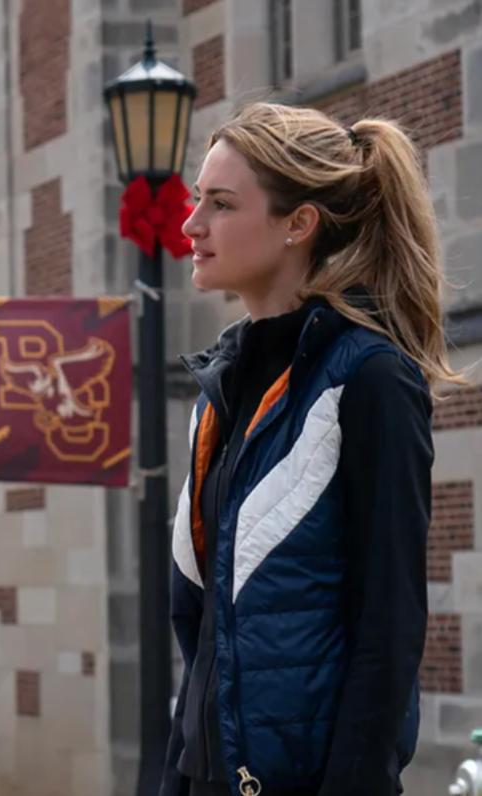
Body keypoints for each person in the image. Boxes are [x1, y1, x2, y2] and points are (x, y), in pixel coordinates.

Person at [164, 101, 456, 796]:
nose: (192, 224)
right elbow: (208, 637)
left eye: (221, 204)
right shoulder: (219, 392)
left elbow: (389, 627)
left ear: (298, 224)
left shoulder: (371, 380)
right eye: (198, 199)